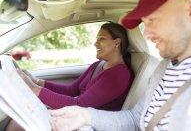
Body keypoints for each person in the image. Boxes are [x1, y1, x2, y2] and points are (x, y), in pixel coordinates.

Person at [49, 0, 191, 131]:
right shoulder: (164, 68)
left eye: (152, 20)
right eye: (144, 24)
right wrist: (85, 116)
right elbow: (135, 120)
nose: (146, 34)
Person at [0, 22, 134, 131]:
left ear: (117, 42)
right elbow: (72, 90)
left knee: (19, 125)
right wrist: (36, 81)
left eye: (102, 39)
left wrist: (34, 89)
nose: (95, 43)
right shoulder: (98, 65)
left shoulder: (119, 75)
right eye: (96, 39)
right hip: (78, 119)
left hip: (91, 125)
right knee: (20, 119)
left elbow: (80, 105)